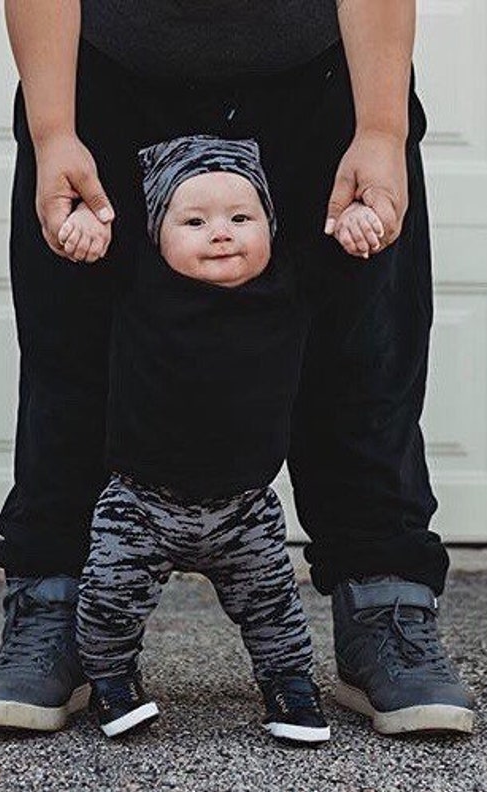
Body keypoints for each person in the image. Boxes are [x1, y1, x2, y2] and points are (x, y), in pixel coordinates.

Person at [0, 0, 476, 737]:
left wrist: (382, 129)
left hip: (324, 78)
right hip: (102, 77)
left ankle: (383, 603)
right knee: (72, 342)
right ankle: (52, 603)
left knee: (363, 346)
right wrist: (53, 131)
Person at [74, 134, 344, 744]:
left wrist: (358, 221)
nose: (221, 232)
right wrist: (84, 235)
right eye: (193, 220)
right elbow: (95, 247)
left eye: (241, 217)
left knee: (275, 610)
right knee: (108, 601)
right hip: (141, 501)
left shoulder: (287, 284)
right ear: (158, 232)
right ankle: (112, 681)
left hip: (243, 507)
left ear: (270, 228)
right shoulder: (139, 280)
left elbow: (340, 248)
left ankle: (290, 687)